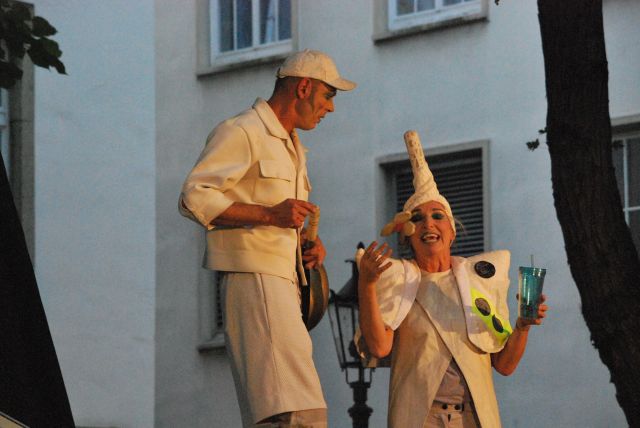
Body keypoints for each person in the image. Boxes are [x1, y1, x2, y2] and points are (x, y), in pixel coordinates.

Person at [178, 49, 356, 427]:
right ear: (303, 88)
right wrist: (269, 215)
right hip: (254, 277)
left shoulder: (291, 145)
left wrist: (304, 246)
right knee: (291, 411)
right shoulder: (242, 130)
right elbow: (194, 196)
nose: (330, 107)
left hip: (281, 281)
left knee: (295, 410)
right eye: (328, 95)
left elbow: (278, 219)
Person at [356, 131, 548, 428]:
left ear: (452, 231)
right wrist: (367, 284)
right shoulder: (400, 283)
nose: (428, 224)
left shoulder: (477, 282)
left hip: (474, 417)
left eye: (437, 216)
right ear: (407, 236)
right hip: (421, 419)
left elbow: (505, 365)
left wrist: (522, 326)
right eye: (417, 218)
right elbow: (379, 347)